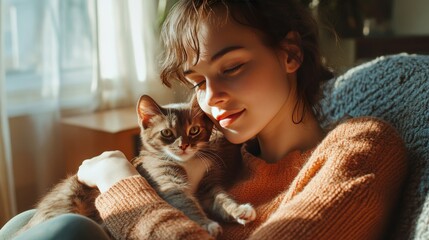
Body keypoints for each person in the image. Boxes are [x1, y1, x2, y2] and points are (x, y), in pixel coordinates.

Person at [1, 0, 408, 239]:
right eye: (196, 81)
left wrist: (118, 184)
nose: (211, 97)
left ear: (290, 55)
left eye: (231, 67)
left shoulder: (363, 147)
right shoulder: (222, 154)